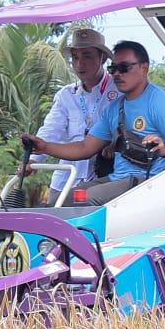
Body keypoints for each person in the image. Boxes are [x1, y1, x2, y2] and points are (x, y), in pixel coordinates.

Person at [23, 40, 165, 205]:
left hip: (148, 182)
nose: (117, 74)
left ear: (144, 68)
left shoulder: (158, 102)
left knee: (87, 199)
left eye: (124, 68)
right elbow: (85, 147)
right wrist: (44, 147)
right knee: (62, 200)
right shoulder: (115, 108)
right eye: (113, 69)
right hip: (118, 179)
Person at [30, 27, 119, 203]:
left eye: (87, 56)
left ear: (102, 58)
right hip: (66, 179)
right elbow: (51, 129)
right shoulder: (66, 94)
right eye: (75, 58)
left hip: (105, 179)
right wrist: (32, 160)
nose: (80, 64)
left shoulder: (118, 91)